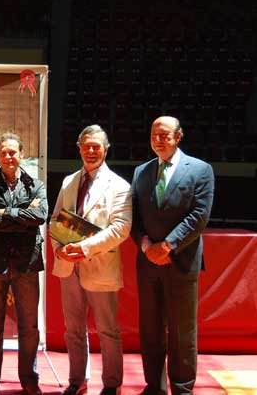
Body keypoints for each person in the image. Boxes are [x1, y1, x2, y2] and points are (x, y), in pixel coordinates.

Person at [130, 116, 215, 395]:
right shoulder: (141, 171)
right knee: (150, 330)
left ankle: (182, 388)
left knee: (181, 332)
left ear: (178, 137)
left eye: (164, 135)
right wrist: (145, 246)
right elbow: (134, 216)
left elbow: (199, 216)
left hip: (181, 261)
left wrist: (166, 246)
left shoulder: (201, 170)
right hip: (148, 263)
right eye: (154, 134)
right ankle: (154, 385)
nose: (158, 139)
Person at [50, 125, 132, 395]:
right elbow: (55, 221)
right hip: (68, 265)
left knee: (108, 330)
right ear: (79, 148)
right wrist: (59, 248)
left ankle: (112, 384)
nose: (91, 151)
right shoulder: (69, 181)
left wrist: (84, 248)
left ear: (106, 149)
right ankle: (77, 381)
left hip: (99, 264)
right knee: (73, 329)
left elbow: (120, 228)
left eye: (96, 146)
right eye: (86, 146)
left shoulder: (120, 186)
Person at [0, 132, 48, 395]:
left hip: (27, 264)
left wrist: (5, 213)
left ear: (22, 154)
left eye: (13, 152)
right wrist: (19, 216)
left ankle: (29, 380)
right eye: (3, 152)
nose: (8, 156)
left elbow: (39, 216)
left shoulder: (36, 185)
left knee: (30, 327)